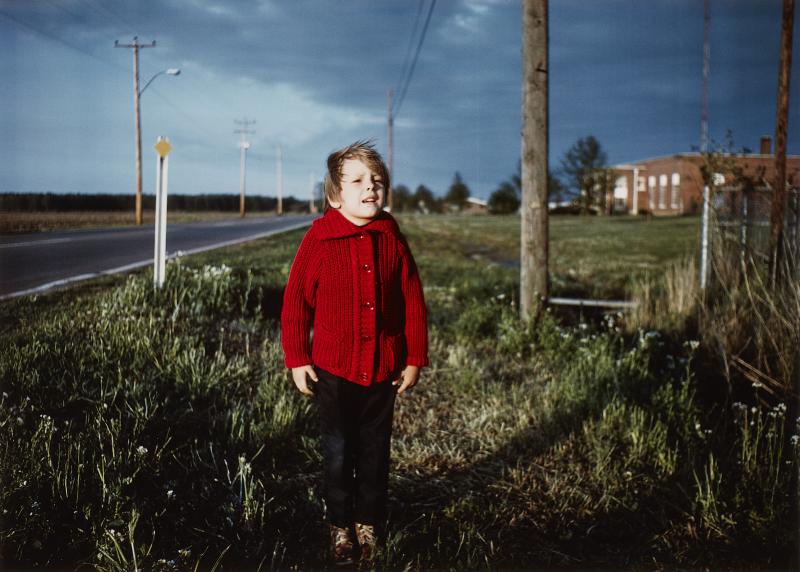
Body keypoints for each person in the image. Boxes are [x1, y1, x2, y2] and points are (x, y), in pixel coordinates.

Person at [280, 141, 429, 565]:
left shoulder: (390, 235)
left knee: (375, 450)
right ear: (334, 195)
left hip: (383, 368)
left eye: (377, 181)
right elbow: (295, 302)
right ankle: (340, 525)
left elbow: (412, 297)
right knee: (338, 450)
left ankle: (369, 522)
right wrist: (297, 358)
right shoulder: (321, 239)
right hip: (333, 369)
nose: (370, 189)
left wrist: (414, 356)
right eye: (359, 181)